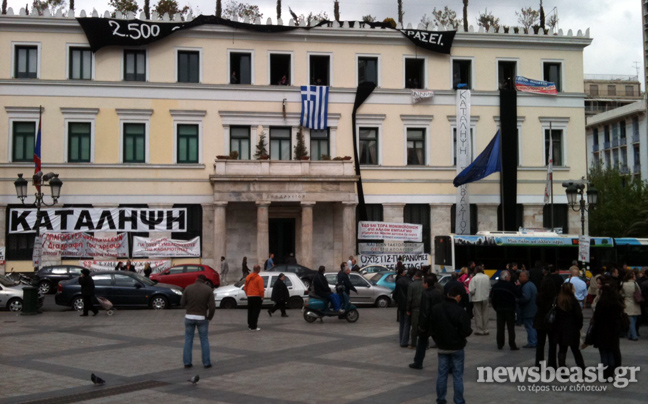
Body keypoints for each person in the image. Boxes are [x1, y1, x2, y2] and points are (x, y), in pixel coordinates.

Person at [430, 285, 473, 404]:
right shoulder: (460, 311)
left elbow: (431, 327)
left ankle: (441, 399)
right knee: (458, 376)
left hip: (442, 346)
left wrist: (437, 340)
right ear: (458, 297)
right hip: (457, 346)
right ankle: (459, 400)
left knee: (442, 375)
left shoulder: (436, 309)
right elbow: (466, 330)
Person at [181, 274, 216, 368]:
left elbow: (182, 303)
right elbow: (212, 307)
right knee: (204, 340)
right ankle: (206, 363)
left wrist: (189, 307)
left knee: (188, 340)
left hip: (189, 317)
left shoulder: (188, 288)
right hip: (202, 317)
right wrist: (209, 317)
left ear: (196, 279)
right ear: (205, 281)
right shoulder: (208, 290)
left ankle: (187, 362)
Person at [591, 282, 624, 379]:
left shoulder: (601, 303)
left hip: (602, 331)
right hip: (613, 331)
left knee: (604, 353)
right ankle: (611, 373)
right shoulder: (616, 304)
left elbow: (596, 317)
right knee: (611, 352)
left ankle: (605, 373)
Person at [410, 274, 443, 369]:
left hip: (428, 322)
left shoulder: (426, 293)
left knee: (421, 343)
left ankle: (418, 362)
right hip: (436, 321)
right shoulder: (438, 292)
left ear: (427, 284)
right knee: (441, 344)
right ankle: (449, 365)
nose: (422, 284)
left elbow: (425, 310)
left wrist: (422, 325)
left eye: (423, 283)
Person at [553, 283, 585, 369]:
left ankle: (562, 368)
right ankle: (581, 367)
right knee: (575, 350)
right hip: (572, 328)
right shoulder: (573, 301)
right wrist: (579, 326)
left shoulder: (558, 299)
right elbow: (579, 315)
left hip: (560, 328)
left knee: (562, 350)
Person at [490, 270, 520, 350]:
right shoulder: (510, 286)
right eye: (509, 276)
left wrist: (495, 307)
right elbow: (518, 295)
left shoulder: (496, 286)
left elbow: (492, 298)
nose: (510, 278)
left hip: (499, 309)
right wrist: (518, 286)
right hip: (510, 309)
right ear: (506, 277)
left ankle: (500, 344)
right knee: (511, 328)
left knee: (500, 327)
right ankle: (512, 344)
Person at [534, 272, 559, 367]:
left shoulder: (539, 296)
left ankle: (539, 364)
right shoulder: (555, 297)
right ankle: (552, 364)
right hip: (552, 321)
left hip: (540, 321)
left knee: (540, 344)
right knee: (552, 345)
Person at [517, 270, 538, 348]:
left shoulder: (527, 286)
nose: (519, 278)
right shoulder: (531, 284)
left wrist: (519, 301)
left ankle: (532, 342)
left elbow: (526, 297)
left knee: (530, 327)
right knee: (533, 326)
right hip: (533, 309)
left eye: (521, 276)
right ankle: (534, 341)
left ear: (526, 277)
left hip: (529, 310)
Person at [469, 266, 491, 335]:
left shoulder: (474, 279)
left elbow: (471, 290)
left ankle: (480, 330)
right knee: (485, 314)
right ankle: (486, 329)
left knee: (478, 314)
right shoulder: (487, 277)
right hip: (485, 297)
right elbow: (489, 287)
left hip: (476, 298)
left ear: (475, 271)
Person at [620, 270, 641, 341]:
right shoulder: (635, 284)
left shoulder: (623, 284)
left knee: (630, 320)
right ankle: (634, 336)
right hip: (635, 302)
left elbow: (621, 294)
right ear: (632, 277)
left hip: (626, 302)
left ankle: (630, 334)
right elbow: (639, 292)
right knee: (633, 320)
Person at [394, 266, 412, 347]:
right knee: (406, 323)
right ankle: (404, 341)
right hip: (406, 305)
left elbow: (395, 294)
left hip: (400, 305)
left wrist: (398, 301)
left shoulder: (399, 281)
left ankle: (401, 339)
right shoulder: (409, 282)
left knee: (402, 323)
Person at [406, 271, 424, 349]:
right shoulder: (424, 285)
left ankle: (413, 344)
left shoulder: (411, 285)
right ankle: (424, 344)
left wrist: (408, 309)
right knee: (423, 326)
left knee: (414, 327)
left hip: (415, 308)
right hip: (423, 308)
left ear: (415, 276)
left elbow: (409, 299)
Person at [244, 265, 264, 331]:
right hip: (257, 296)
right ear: (258, 270)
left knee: (250, 311)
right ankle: (254, 326)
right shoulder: (259, 278)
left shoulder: (248, 277)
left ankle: (250, 325)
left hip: (250, 296)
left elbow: (245, 287)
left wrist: (247, 293)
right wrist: (262, 296)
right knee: (256, 311)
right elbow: (261, 289)